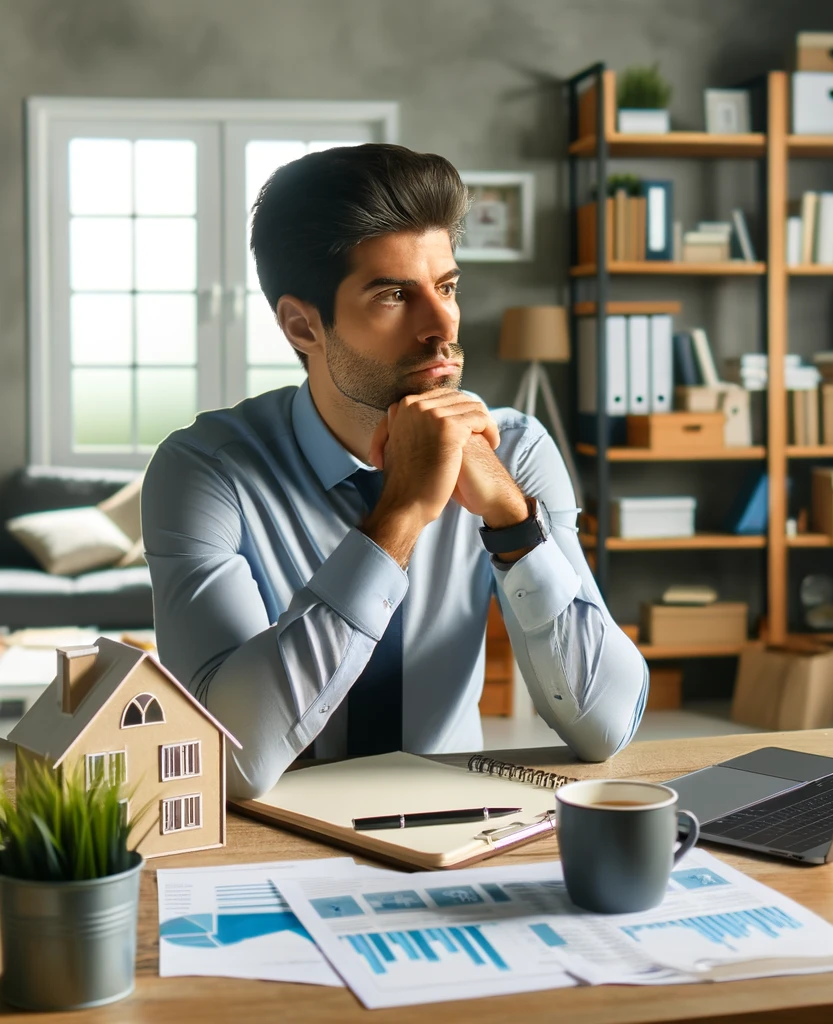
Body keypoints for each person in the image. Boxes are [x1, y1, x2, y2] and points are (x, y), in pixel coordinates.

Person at [143, 143, 648, 800]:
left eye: (447, 287)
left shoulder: (514, 450)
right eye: (392, 295)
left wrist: (513, 525)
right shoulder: (206, 471)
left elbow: (605, 728)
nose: (442, 325)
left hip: (456, 822)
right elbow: (226, 760)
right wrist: (400, 516)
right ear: (302, 326)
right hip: (274, 834)